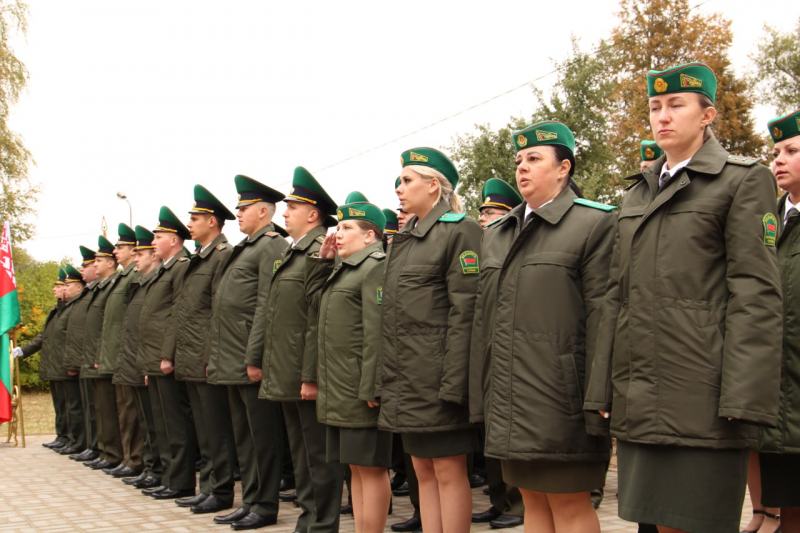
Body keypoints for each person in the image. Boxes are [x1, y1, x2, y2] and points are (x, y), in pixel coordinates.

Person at [584, 62, 783, 533]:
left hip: (703, 394)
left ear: (707, 114)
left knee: (697, 522)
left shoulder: (741, 181)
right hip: (640, 392)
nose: (662, 116)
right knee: (654, 524)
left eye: (676, 105)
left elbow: (756, 293)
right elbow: (616, 296)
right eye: (655, 107)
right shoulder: (637, 193)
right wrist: (602, 389)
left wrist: (745, 395)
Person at [470, 121, 615, 533]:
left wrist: (599, 393)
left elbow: (604, 315)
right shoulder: (498, 233)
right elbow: (484, 323)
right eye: (519, 160)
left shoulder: (594, 224)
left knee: (568, 505)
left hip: (562, 398)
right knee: (531, 504)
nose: (522, 168)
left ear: (564, 168)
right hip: (509, 397)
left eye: (534, 158)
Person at [377, 147, 482, 533]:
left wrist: (455, 385)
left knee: (449, 471)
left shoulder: (459, 230)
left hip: (439, 381)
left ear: (433, 185)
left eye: (407, 181)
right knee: (422, 471)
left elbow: (466, 311)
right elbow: (391, 320)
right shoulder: (406, 238)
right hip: (408, 381)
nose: (399, 190)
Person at [256, 166, 344, 533]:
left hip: (306, 373)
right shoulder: (293, 252)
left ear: (312, 214)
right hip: (287, 371)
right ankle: (308, 519)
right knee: (302, 453)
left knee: (320, 455)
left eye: (291, 206)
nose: (285, 212)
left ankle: (323, 523)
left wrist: (310, 376)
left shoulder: (323, 251)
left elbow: (317, 320)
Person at [207, 174, 287, 531]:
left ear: (263, 211)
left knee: (262, 438)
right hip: (231, 357)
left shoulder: (271, 245)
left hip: (248, 359)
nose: (237, 213)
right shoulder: (248, 247)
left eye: (243, 208)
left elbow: (266, 306)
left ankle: (266, 505)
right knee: (244, 437)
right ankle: (251, 500)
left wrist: (254, 357)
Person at [307, 201, 390, 533]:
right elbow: (314, 303)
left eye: (346, 228)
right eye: (338, 227)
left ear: (370, 236)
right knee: (355, 468)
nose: (337, 234)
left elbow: (378, 332)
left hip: (359, 388)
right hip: (340, 387)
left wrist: (372, 385)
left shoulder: (374, 267)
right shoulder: (344, 268)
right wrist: (322, 264)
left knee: (371, 468)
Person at [173, 185, 237, 514]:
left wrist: (213, 355)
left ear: (212, 222)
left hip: (206, 355)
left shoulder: (223, 255)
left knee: (216, 429)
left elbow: (218, 311)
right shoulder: (198, 257)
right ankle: (208, 486)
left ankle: (221, 491)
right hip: (190, 354)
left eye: (195, 218)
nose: (190, 224)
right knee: (204, 430)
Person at [758, 108, 800, 533]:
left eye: (791, 150)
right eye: (776, 152)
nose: (779, 160)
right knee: (789, 513)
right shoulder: (766, 220)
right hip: (781, 397)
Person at [138, 206, 196, 500]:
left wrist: (167, 354)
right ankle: (168, 477)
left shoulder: (182, 265)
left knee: (175, 422)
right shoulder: (164, 268)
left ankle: (182, 480)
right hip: (153, 356)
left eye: (158, 236)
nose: (154, 242)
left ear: (174, 240)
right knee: (161, 422)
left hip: (165, 356)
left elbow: (177, 313)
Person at [115, 226, 163, 490]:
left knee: (157, 422)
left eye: (140, 253)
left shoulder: (154, 281)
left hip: (151, 360)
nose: (135, 259)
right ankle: (151, 466)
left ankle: (157, 469)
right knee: (147, 421)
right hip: (139, 359)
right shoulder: (142, 283)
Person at [98, 224, 144, 480]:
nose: (116, 251)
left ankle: (134, 459)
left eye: (120, 247)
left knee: (130, 409)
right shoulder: (122, 277)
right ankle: (127, 457)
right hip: (119, 353)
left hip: (128, 354)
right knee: (122, 410)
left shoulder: (132, 276)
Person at [13, 268, 70, 449]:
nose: (54, 289)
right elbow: (43, 337)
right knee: (59, 405)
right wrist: (22, 350)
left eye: (59, 286)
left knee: (69, 406)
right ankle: (62, 436)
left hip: (65, 365)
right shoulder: (56, 310)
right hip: (54, 366)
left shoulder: (69, 310)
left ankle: (71, 439)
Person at [81, 236, 123, 472]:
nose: (95, 265)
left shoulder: (115, 283)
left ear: (110, 263)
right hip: (97, 357)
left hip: (107, 358)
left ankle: (113, 453)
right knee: (101, 409)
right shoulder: (101, 287)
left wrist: (102, 356)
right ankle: (105, 450)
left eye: (99, 261)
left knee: (112, 411)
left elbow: (111, 326)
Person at [63, 245, 100, 463]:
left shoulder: (94, 292)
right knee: (88, 408)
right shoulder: (87, 294)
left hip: (94, 360)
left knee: (97, 409)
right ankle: (91, 445)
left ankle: (96, 447)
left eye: (87, 265)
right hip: (84, 359)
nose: (84, 269)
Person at [54, 264, 90, 457]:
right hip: (69, 362)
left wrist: (74, 363)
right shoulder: (68, 307)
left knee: (78, 407)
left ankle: (78, 442)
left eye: (67, 285)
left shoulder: (78, 304)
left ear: (78, 287)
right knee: (69, 405)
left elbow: (78, 336)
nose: (62, 288)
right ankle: (69, 438)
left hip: (79, 363)